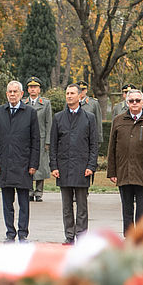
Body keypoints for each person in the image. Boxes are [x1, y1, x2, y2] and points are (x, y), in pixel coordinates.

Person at [106, 89, 143, 235]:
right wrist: (112, 172)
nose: (135, 103)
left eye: (138, 100)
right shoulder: (118, 121)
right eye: (131, 101)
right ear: (127, 103)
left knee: (142, 209)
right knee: (127, 208)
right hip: (124, 171)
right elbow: (112, 148)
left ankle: (141, 237)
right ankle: (129, 236)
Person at [0, 81, 40, 242]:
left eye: (15, 91)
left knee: (24, 203)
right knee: (7, 203)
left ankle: (23, 233)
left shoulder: (30, 113)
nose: (12, 94)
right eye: (10, 91)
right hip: (4, 164)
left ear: (21, 94)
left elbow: (35, 140)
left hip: (23, 164)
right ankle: (10, 233)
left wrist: (33, 164)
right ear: (6, 94)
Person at [50, 83, 99, 244]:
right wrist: (54, 166)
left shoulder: (89, 118)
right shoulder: (58, 118)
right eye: (67, 93)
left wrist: (91, 166)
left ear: (80, 96)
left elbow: (94, 144)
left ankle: (82, 236)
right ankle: (69, 236)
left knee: (82, 206)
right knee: (67, 206)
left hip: (82, 168)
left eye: (72, 93)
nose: (69, 96)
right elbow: (53, 144)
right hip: (63, 167)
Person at [24, 76, 52, 202]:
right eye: (30, 87)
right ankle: (29, 191)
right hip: (26, 139)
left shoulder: (45, 103)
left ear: (39, 89)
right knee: (28, 164)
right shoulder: (23, 103)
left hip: (41, 139)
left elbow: (48, 123)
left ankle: (39, 192)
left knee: (41, 166)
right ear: (27, 89)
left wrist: (48, 141)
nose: (33, 89)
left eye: (35, 87)